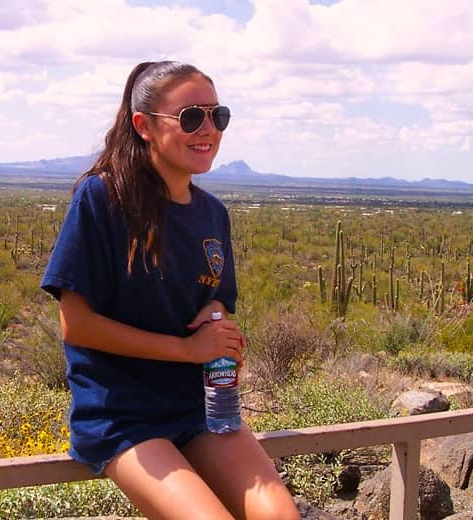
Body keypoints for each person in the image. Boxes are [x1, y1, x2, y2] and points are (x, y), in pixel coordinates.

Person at [40, 61, 300, 520]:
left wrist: (218, 322)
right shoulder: (102, 199)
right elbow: (76, 326)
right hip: (123, 415)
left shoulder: (213, 214)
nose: (208, 129)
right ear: (143, 126)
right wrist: (187, 349)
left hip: (200, 407)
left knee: (280, 516)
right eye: (191, 117)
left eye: (217, 116)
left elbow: (217, 296)